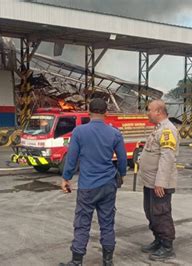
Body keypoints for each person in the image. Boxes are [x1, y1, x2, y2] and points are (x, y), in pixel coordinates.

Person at [59, 98, 127, 266]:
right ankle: (108, 261)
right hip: (108, 185)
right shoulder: (115, 133)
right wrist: (122, 174)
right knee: (107, 223)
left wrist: (66, 178)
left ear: (89, 112)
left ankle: (76, 261)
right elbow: (123, 159)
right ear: (106, 113)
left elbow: (72, 158)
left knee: (82, 223)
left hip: (88, 186)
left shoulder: (79, 132)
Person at [138, 99, 180, 261]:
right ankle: (158, 240)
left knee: (161, 213)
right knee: (151, 212)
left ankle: (167, 246)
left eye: (149, 110)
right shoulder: (158, 129)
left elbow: (167, 157)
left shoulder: (168, 130)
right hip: (150, 182)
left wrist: (161, 182)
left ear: (158, 112)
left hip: (159, 184)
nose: (147, 113)